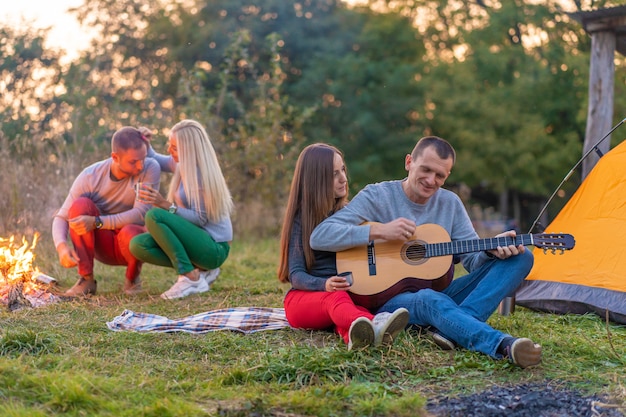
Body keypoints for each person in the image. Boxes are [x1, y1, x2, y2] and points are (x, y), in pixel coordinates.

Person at [309, 136, 541, 367]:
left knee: (522, 257)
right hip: (389, 303)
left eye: (440, 175)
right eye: (426, 170)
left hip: (438, 295)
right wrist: (380, 231)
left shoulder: (450, 204)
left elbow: (472, 261)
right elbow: (320, 236)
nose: (431, 180)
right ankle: (503, 346)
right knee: (428, 299)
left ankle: (453, 327)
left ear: (447, 175)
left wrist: (490, 251)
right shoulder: (377, 196)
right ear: (409, 162)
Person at [278, 143, 409, 350]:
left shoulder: (350, 213)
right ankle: (378, 324)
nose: (344, 179)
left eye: (343, 170)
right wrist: (324, 284)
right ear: (316, 180)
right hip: (304, 300)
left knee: (347, 309)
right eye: (333, 174)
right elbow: (296, 274)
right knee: (337, 299)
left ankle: (358, 340)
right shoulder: (301, 219)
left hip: (343, 299)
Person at [129, 119, 233, 300]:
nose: (170, 151)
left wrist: (165, 205)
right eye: (170, 145)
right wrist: (146, 143)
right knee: (138, 245)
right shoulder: (182, 165)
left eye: (174, 148)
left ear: (189, 150)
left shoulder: (200, 176)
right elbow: (158, 159)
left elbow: (200, 219)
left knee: (155, 216)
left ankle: (190, 277)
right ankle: (198, 272)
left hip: (214, 247)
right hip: (197, 241)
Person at [52, 127, 161, 296]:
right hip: (100, 244)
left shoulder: (150, 167)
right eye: (133, 162)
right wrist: (61, 247)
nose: (140, 166)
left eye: (143, 159)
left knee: (132, 230)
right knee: (81, 206)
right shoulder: (90, 176)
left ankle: (132, 279)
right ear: (115, 157)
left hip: (131, 243)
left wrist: (97, 222)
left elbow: (140, 213)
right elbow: (62, 216)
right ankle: (86, 279)